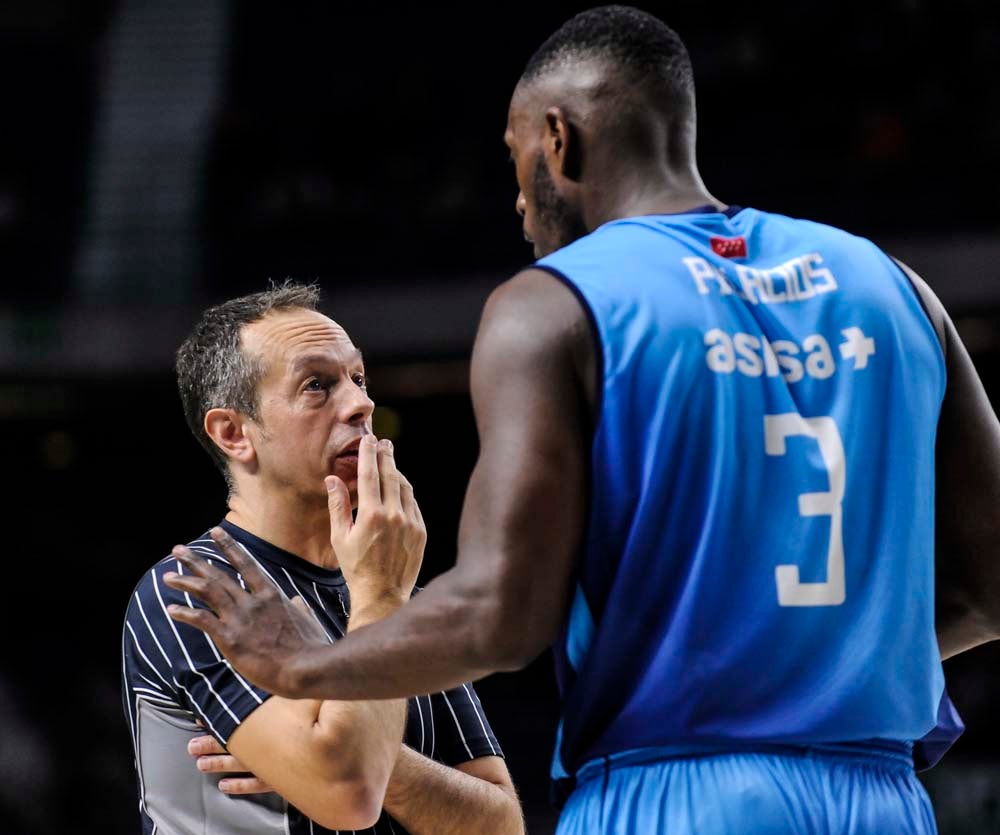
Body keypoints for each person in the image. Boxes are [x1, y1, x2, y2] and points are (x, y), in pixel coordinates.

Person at [164, 6, 1000, 833]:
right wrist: (826, 662)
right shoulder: (895, 288)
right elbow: (988, 588)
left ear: (556, 141)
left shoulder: (554, 304)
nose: (520, 207)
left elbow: (505, 611)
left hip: (675, 791)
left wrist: (301, 660)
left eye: (515, 159)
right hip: (883, 799)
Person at [122, 283, 524, 835]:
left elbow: (501, 823)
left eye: (358, 379)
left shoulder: (402, 600)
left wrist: (372, 750)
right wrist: (381, 603)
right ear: (234, 433)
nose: (362, 404)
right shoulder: (195, 590)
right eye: (318, 385)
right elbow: (350, 794)